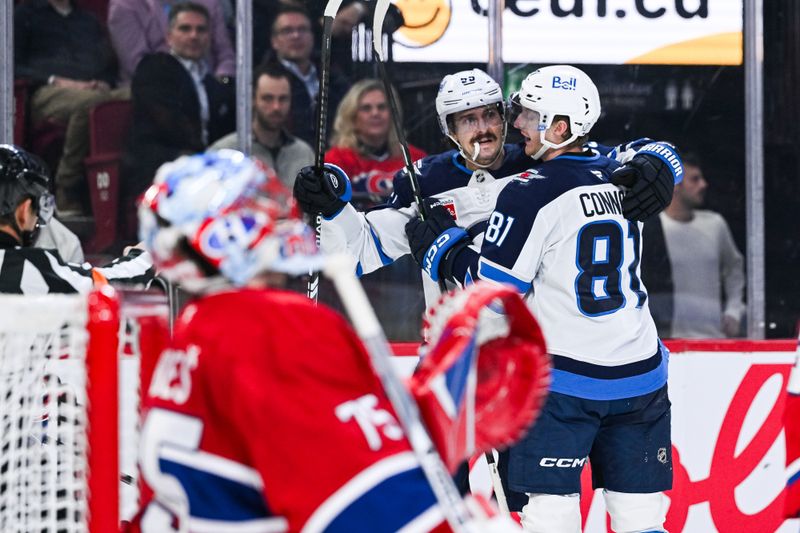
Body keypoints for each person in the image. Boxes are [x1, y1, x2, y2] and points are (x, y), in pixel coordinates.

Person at [127, 149, 518, 532]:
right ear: (224, 237)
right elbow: (369, 501)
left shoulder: (196, 332)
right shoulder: (277, 330)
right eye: (259, 206)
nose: (281, 215)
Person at [403, 65, 676, 533]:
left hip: (563, 383)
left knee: (551, 516)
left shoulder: (530, 193)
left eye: (529, 115)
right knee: (642, 517)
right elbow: (647, 153)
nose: (518, 125)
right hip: (641, 379)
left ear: (560, 127)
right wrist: (666, 157)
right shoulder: (625, 176)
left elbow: (494, 295)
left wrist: (444, 252)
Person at [294, 68, 677, 309]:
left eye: (490, 114)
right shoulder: (424, 182)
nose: (483, 128)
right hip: (453, 360)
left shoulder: (541, 163)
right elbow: (357, 251)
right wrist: (331, 207)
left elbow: (624, 155)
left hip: (531, 363)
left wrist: (661, 160)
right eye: (468, 119)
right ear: (449, 130)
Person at [121, 1, 235, 238]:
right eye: (185, 29)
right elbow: (167, 124)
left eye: (201, 30)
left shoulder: (212, 83)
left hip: (204, 167)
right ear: (169, 35)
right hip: (159, 164)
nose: (194, 36)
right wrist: (204, 159)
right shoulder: (154, 68)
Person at [14, 0, 130, 215]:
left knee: (136, 95)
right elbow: (12, 64)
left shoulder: (88, 20)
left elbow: (108, 63)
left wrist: (103, 81)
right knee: (90, 105)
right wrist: (54, 80)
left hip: (94, 89)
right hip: (48, 91)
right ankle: (66, 188)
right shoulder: (26, 15)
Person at [0, 145, 154, 294]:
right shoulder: (30, 269)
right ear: (24, 211)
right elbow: (105, 283)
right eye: (35, 212)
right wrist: (144, 256)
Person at [642, 153, 745, 338]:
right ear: (675, 186)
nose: (703, 185)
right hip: (666, 338)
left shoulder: (715, 224)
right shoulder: (652, 230)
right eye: (694, 179)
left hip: (714, 338)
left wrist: (733, 311)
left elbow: (735, 269)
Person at [209, 63, 314, 190]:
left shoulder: (304, 153)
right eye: (267, 98)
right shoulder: (225, 152)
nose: (276, 107)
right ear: (253, 99)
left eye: (283, 99)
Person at [325, 78, 427, 209]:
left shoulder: (415, 159)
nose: (375, 113)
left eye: (382, 107)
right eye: (366, 108)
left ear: (393, 115)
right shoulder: (335, 160)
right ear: (352, 116)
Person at [261, 5, 347, 145]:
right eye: (287, 31)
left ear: (312, 37)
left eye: (302, 30)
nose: (296, 36)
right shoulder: (266, 81)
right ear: (274, 41)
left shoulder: (333, 75)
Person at [107, 0, 235, 86]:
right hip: (155, 91)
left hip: (210, 86)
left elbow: (226, 56)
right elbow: (138, 67)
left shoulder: (209, 2)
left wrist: (221, 82)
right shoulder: (124, 5)